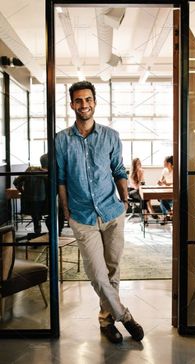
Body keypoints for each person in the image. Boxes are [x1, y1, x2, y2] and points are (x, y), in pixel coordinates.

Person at [55, 81, 144, 344]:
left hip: (112, 212)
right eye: (79, 101)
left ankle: (107, 321)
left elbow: (118, 170)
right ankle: (125, 316)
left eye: (88, 99)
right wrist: (66, 210)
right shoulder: (62, 140)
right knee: (97, 274)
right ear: (72, 104)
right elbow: (60, 179)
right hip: (82, 216)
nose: (84, 105)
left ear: (95, 101)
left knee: (113, 269)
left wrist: (125, 200)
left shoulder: (111, 136)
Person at [13, 163, 48, 235]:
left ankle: (37, 230)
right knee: (37, 215)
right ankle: (38, 231)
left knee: (35, 215)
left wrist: (22, 192)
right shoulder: (43, 172)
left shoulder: (29, 171)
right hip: (41, 199)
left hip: (30, 199)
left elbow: (15, 182)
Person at [158, 155, 173, 222]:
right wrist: (160, 182)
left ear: (169, 163)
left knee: (162, 200)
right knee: (161, 199)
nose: (163, 162)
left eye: (164, 161)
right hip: (165, 190)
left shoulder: (176, 171)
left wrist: (167, 184)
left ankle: (167, 215)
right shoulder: (164, 170)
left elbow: (177, 183)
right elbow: (161, 180)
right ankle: (169, 214)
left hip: (173, 192)